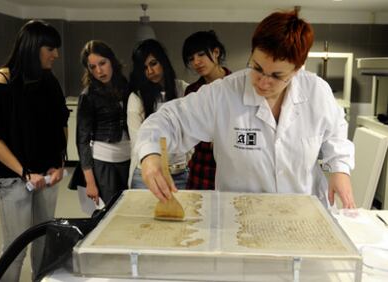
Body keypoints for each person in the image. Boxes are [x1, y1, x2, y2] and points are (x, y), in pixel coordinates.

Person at [135, 10, 356, 209]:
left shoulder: (317, 91)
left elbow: (335, 130)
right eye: (257, 68)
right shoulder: (223, 93)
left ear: (297, 69)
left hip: (301, 213)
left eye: (277, 76)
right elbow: (169, 119)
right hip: (239, 219)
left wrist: (339, 168)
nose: (263, 81)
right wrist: (150, 154)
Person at [0, 20, 69, 281]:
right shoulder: (2, 80)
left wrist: (60, 162)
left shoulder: (48, 80)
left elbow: (62, 121)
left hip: (48, 176)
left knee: (43, 244)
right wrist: (24, 172)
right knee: (15, 250)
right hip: (14, 178)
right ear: (33, 47)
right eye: (51, 48)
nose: (56, 55)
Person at [127, 39, 189, 189]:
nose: (150, 71)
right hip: (147, 173)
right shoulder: (137, 97)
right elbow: (137, 141)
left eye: (153, 63)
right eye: (144, 68)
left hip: (181, 172)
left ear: (163, 62)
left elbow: (193, 130)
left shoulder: (183, 89)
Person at [77, 40, 130, 205]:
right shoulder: (88, 95)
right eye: (93, 67)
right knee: (109, 213)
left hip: (129, 158)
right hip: (104, 162)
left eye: (102, 63)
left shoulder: (126, 87)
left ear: (111, 61)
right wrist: (90, 182)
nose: (99, 71)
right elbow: (82, 141)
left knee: (130, 208)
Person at [182, 30, 231, 190]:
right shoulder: (192, 91)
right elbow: (189, 130)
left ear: (216, 52)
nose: (196, 62)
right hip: (201, 167)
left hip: (232, 165)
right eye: (191, 58)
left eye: (201, 54)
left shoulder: (236, 85)